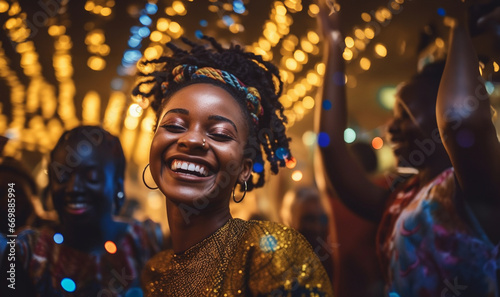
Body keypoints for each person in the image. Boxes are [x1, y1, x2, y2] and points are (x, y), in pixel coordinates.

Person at [316, 0, 500, 295]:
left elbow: (458, 118)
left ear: (438, 109)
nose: (390, 127)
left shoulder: (479, 183)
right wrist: (334, 46)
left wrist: (459, 27)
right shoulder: (401, 200)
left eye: (404, 113)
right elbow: (330, 146)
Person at [132, 36, 333, 296]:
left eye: (220, 133)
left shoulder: (266, 251)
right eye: (174, 126)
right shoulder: (154, 274)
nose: (192, 139)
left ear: (244, 169)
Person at [7, 126, 163, 297]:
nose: (73, 188)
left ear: (117, 185)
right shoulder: (29, 251)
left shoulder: (145, 242)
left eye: (91, 178)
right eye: (62, 177)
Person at [280, 186, 335, 282]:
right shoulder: (279, 265)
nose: (317, 227)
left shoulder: (331, 261)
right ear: (289, 221)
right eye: (309, 219)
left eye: (322, 219)